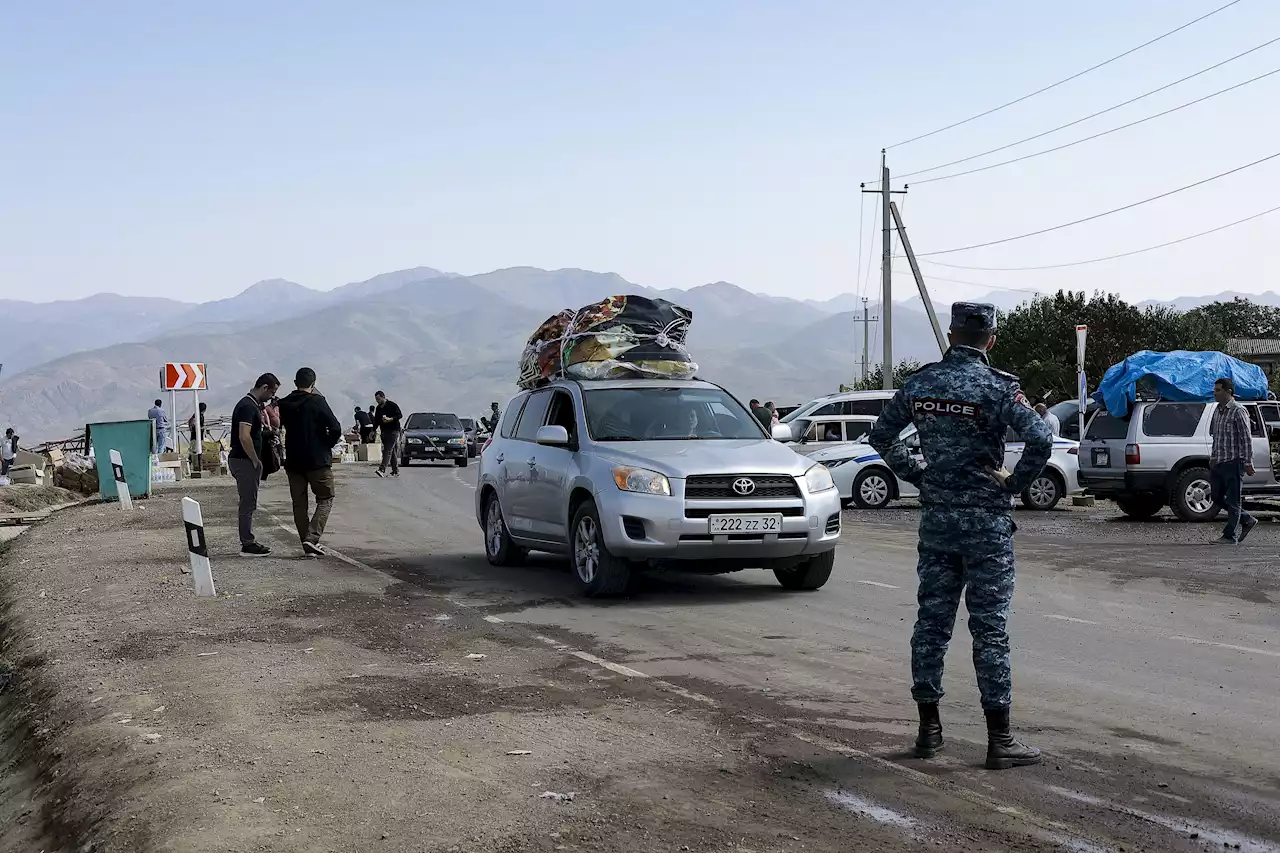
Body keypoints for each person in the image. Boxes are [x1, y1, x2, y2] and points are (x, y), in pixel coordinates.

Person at [868, 302, 1052, 771]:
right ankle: (1000, 740)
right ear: (990, 339)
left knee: (931, 625)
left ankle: (928, 731)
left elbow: (881, 437)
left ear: (950, 334)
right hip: (986, 524)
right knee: (989, 629)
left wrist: (919, 475)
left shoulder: (921, 383)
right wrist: (1014, 483)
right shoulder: (998, 388)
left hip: (938, 520)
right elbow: (1042, 439)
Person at [278, 368, 344, 556]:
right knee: (325, 498)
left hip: (293, 460)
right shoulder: (318, 401)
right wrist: (326, 444)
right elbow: (335, 428)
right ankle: (312, 538)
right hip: (317, 461)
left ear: (294, 382)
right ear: (314, 383)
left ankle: (306, 542)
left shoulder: (284, 404)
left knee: (299, 504)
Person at [228, 374, 281, 557]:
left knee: (249, 502)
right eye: (272, 392)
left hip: (245, 460)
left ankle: (248, 540)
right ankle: (247, 543)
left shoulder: (252, 405)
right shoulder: (247, 406)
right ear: (264, 387)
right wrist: (255, 459)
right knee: (248, 503)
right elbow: (244, 435)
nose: (272, 397)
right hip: (244, 460)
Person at [1209, 377, 1257, 545]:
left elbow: (1246, 439)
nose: (1214, 393)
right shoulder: (1217, 410)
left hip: (1234, 462)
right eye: (1215, 390)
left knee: (1233, 500)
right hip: (1219, 461)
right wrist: (1213, 457)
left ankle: (1230, 536)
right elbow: (1217, 437)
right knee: (1215, 496)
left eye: (1218, 390)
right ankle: (1247, 519)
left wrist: (1247, 461)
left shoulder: (1238, 410)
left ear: (1228, 392)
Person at [373, 391, 403, 478]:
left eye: (378, 399)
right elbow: (376, 421)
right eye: (376, 400)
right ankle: (395, 471)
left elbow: (400, 415)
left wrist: (391, 419)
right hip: (384, 431)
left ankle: (382, 469)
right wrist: (373, 430)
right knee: (391, 451)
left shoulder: (392, 405)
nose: (377, 401)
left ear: (383, 397)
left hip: (394, 430)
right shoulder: (378, 408)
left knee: (387, 450)